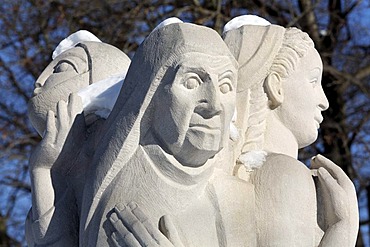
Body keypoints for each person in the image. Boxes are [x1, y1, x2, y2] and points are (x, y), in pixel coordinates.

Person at [79, 22, 254, 246]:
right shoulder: (126, 201)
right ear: (150, 96)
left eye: (226, 86)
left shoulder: (242, 196)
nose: (214, 105)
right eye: (192, 82)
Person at [224, 16, 359, 246]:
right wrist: (343, 228)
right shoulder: (284, 174)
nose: (324, 101)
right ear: (276, 85)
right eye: (313, 81)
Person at [26, 32, 131, 246]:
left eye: (62, 68)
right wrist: (41, 169)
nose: (39, 82)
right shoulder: (56, 173)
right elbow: (53, 241)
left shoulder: (122, 146)